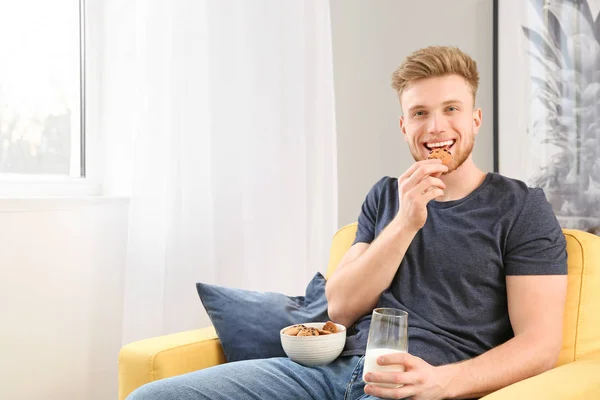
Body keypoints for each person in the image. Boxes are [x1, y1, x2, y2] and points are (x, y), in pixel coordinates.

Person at [127, 46, 568, 400]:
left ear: (475, 119)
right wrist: (406, 222)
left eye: (451, 109)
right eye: (419, 113)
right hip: (328, 371)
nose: (436, 127)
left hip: (417, 384)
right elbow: (339, 307)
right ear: (403, 125)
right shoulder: (384, 196)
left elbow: (541, 344)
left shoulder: (521, 207)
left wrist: (443, 383)